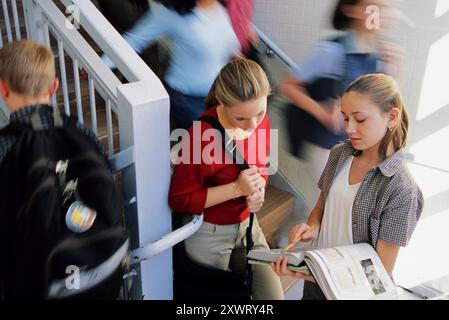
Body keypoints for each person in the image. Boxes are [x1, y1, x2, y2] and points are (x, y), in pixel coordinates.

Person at [272, 73, 424, 300]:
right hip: (316, 287)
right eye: (345, 118)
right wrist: (310, 229)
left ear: (392, 117)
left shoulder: (402, 190)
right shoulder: (339, 154)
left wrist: (313, 274)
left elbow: (378, 275)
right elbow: (322, 207)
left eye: (359, 119)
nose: (349, 129)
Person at [169, 59, 284, 300]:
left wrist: (259, 188)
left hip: (248, 226)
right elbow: (179, 200)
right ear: (222, 103)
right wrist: (236, 188)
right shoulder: (199, 137)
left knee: (273, 297)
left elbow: (260, 166)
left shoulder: (259, 122)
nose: (253, 125)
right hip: (208, 232)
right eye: (241, 118)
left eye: (260, 113)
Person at [0, 40, 106, 299]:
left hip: (33, 280)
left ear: (3, 89)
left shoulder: (5, 145)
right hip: (91, 268)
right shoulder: (81, 132)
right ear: (55, 86)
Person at [280, 0, 402, 206]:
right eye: (372, 7)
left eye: (383, 8)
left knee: (343, 211)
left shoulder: (382, 54)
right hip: (328, 149)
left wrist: (394, 70)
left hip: (359, 147)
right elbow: (288, 85)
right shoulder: (332, 51)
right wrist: (322, 111)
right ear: (352, 10)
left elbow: (382, 102)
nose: (381, 13)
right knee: (330, 210)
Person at [102, 0, 240, 130]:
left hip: (218, 98)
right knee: (205, 149)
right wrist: (103, 65)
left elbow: (227, 47)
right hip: (187, 102)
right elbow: (134, 41)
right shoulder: (173, 12)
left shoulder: (219, 8)